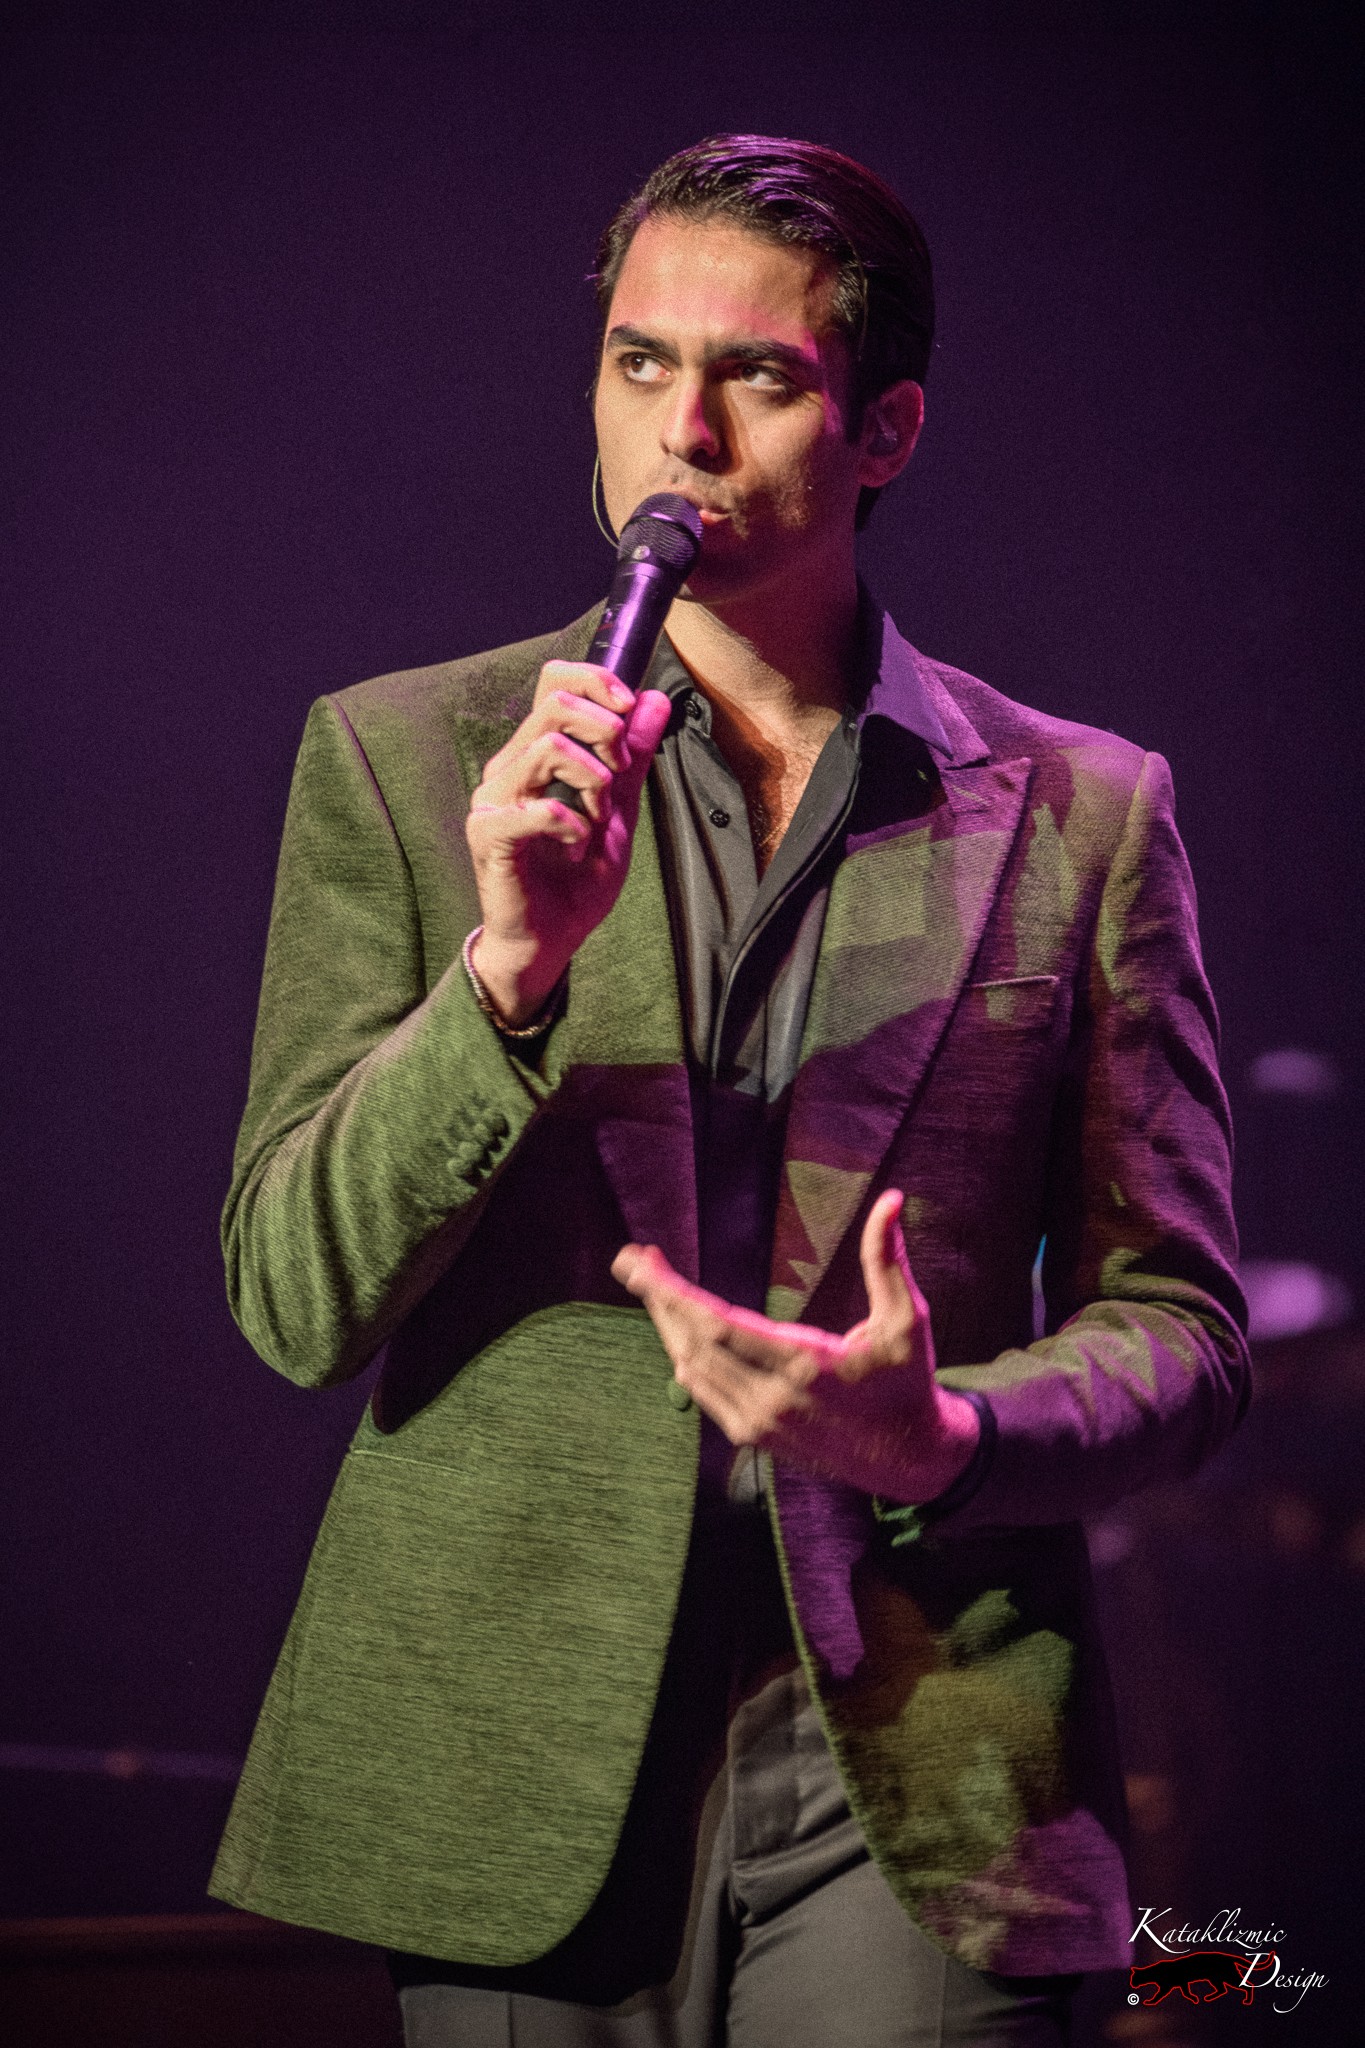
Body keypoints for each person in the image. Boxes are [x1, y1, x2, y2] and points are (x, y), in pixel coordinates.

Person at [210, 136, 1250, 2045]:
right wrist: (500, 982)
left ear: (885, 427)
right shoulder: (403, 756)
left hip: (921, 1741)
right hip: (503, 1735)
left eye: (755, 376)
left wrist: (943, 1432)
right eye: (633, 364)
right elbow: (290, 1300)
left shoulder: (1087, 813)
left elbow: (1179, 1326)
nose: (678, 429)